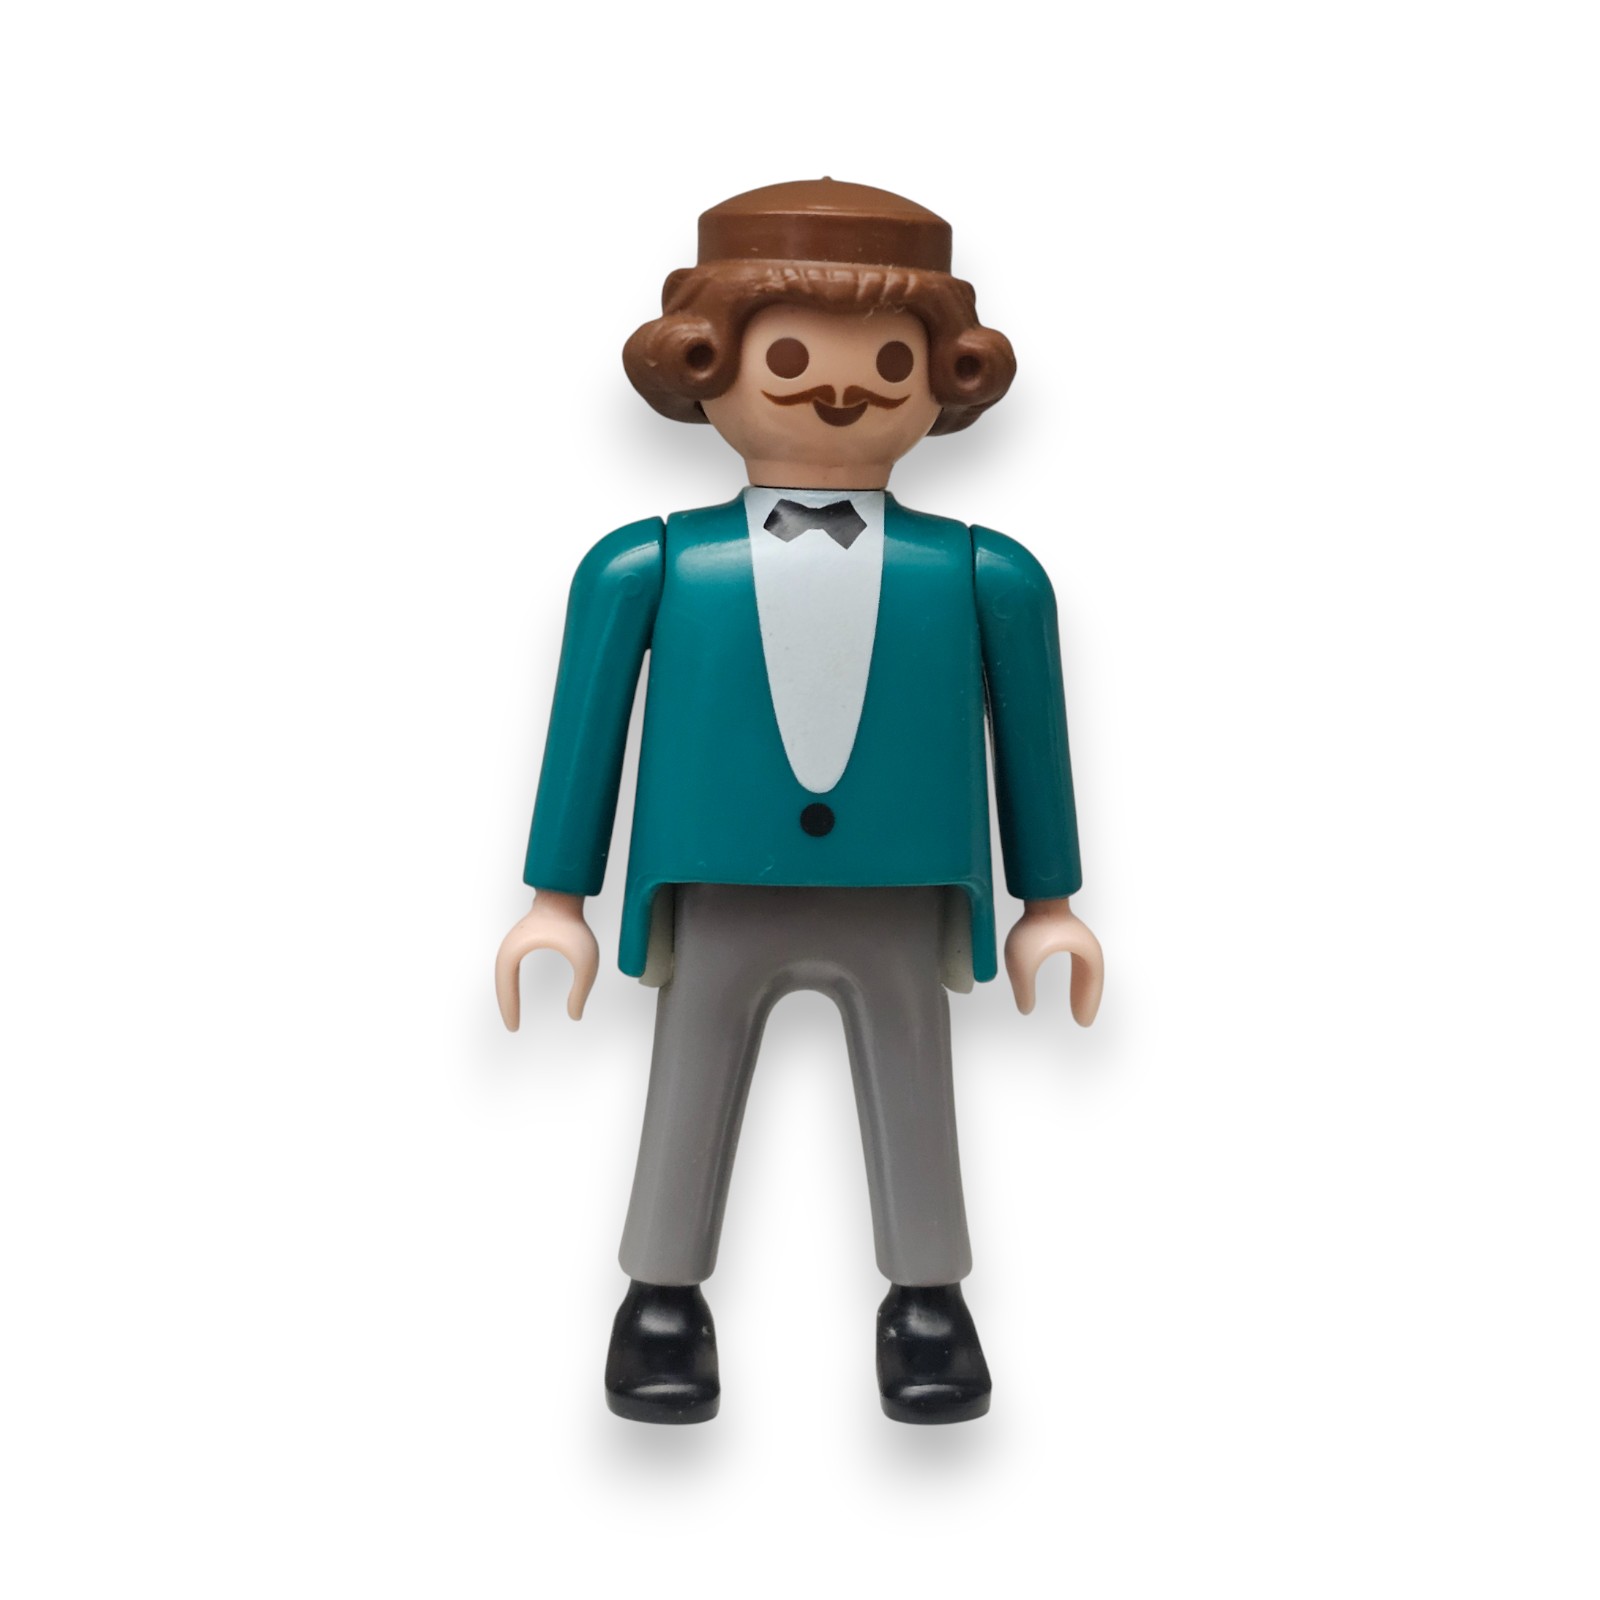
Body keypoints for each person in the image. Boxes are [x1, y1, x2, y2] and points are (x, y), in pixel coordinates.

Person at [495, 178, 1104, 1425]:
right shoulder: (646, 564)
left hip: (903, 882)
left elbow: (1035, 745)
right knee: (687, 1079)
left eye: (889, 361)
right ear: (704, 366)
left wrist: (1050, 901)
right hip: (716, 877)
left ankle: (927, 1303)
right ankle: (661, 1299)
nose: (839, 390)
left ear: (945, 381)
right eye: (787, 357)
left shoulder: (985, 574)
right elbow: (584, 734)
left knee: (914, 1083)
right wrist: (556, 896)